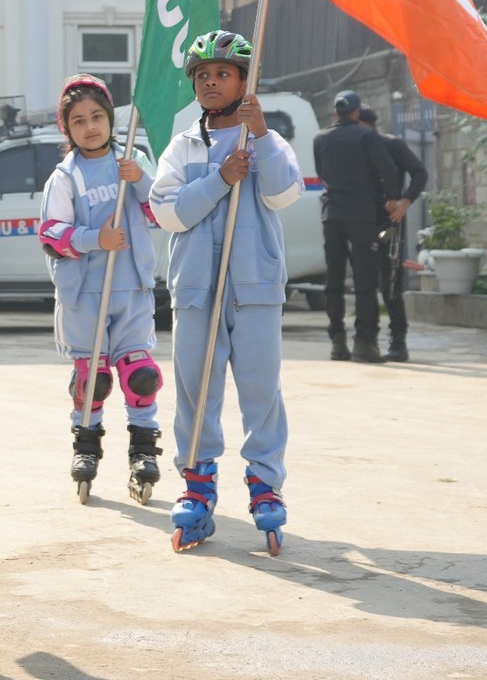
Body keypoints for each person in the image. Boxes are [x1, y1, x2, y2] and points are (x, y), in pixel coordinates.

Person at [148, 30, 302, 555]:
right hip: (196, 292)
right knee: (195, 390)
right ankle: (197, 487)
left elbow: (283, 195)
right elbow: (166, 212)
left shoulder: (265, 141)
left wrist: (258, 138)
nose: (212, 82)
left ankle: (264, 484)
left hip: (255, 290)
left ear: (244, 82)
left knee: (261, 390)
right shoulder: (182, 147)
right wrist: (219, 180)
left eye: (223, 74)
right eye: (203, 75)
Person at [38, 75, 160, 503]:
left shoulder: (133, 160)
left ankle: (144, 449)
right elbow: (52, 233)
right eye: (78, 121)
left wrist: (141, 179)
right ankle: (86, 446)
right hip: (84, 292)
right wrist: (95, 239)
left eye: (96, 117)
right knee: (94, 380)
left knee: (142, 375)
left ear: (110, 119)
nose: (90, 127)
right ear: (67, 129)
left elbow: (162, 211)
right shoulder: (65, 176)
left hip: (132, 287)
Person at [312, 89, 400, 363]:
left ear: (336, 112)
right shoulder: (366, 136)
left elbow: (321, 172)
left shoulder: (320, 138)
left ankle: (337, 342)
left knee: (334, 280)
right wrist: (392, 198)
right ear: (357, 113)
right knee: (364, 278)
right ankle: (365, 343)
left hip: (332, 214)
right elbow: (388, 169)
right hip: (361, 215)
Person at [359, 105, 426, 363]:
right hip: (363, 221)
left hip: (390, 222)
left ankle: (398, 341)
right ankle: (368, 340)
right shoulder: (355, 146)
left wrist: (404, 201)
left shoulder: (391, 144)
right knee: (367, 285)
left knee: (391, 284)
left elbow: (420, 172)